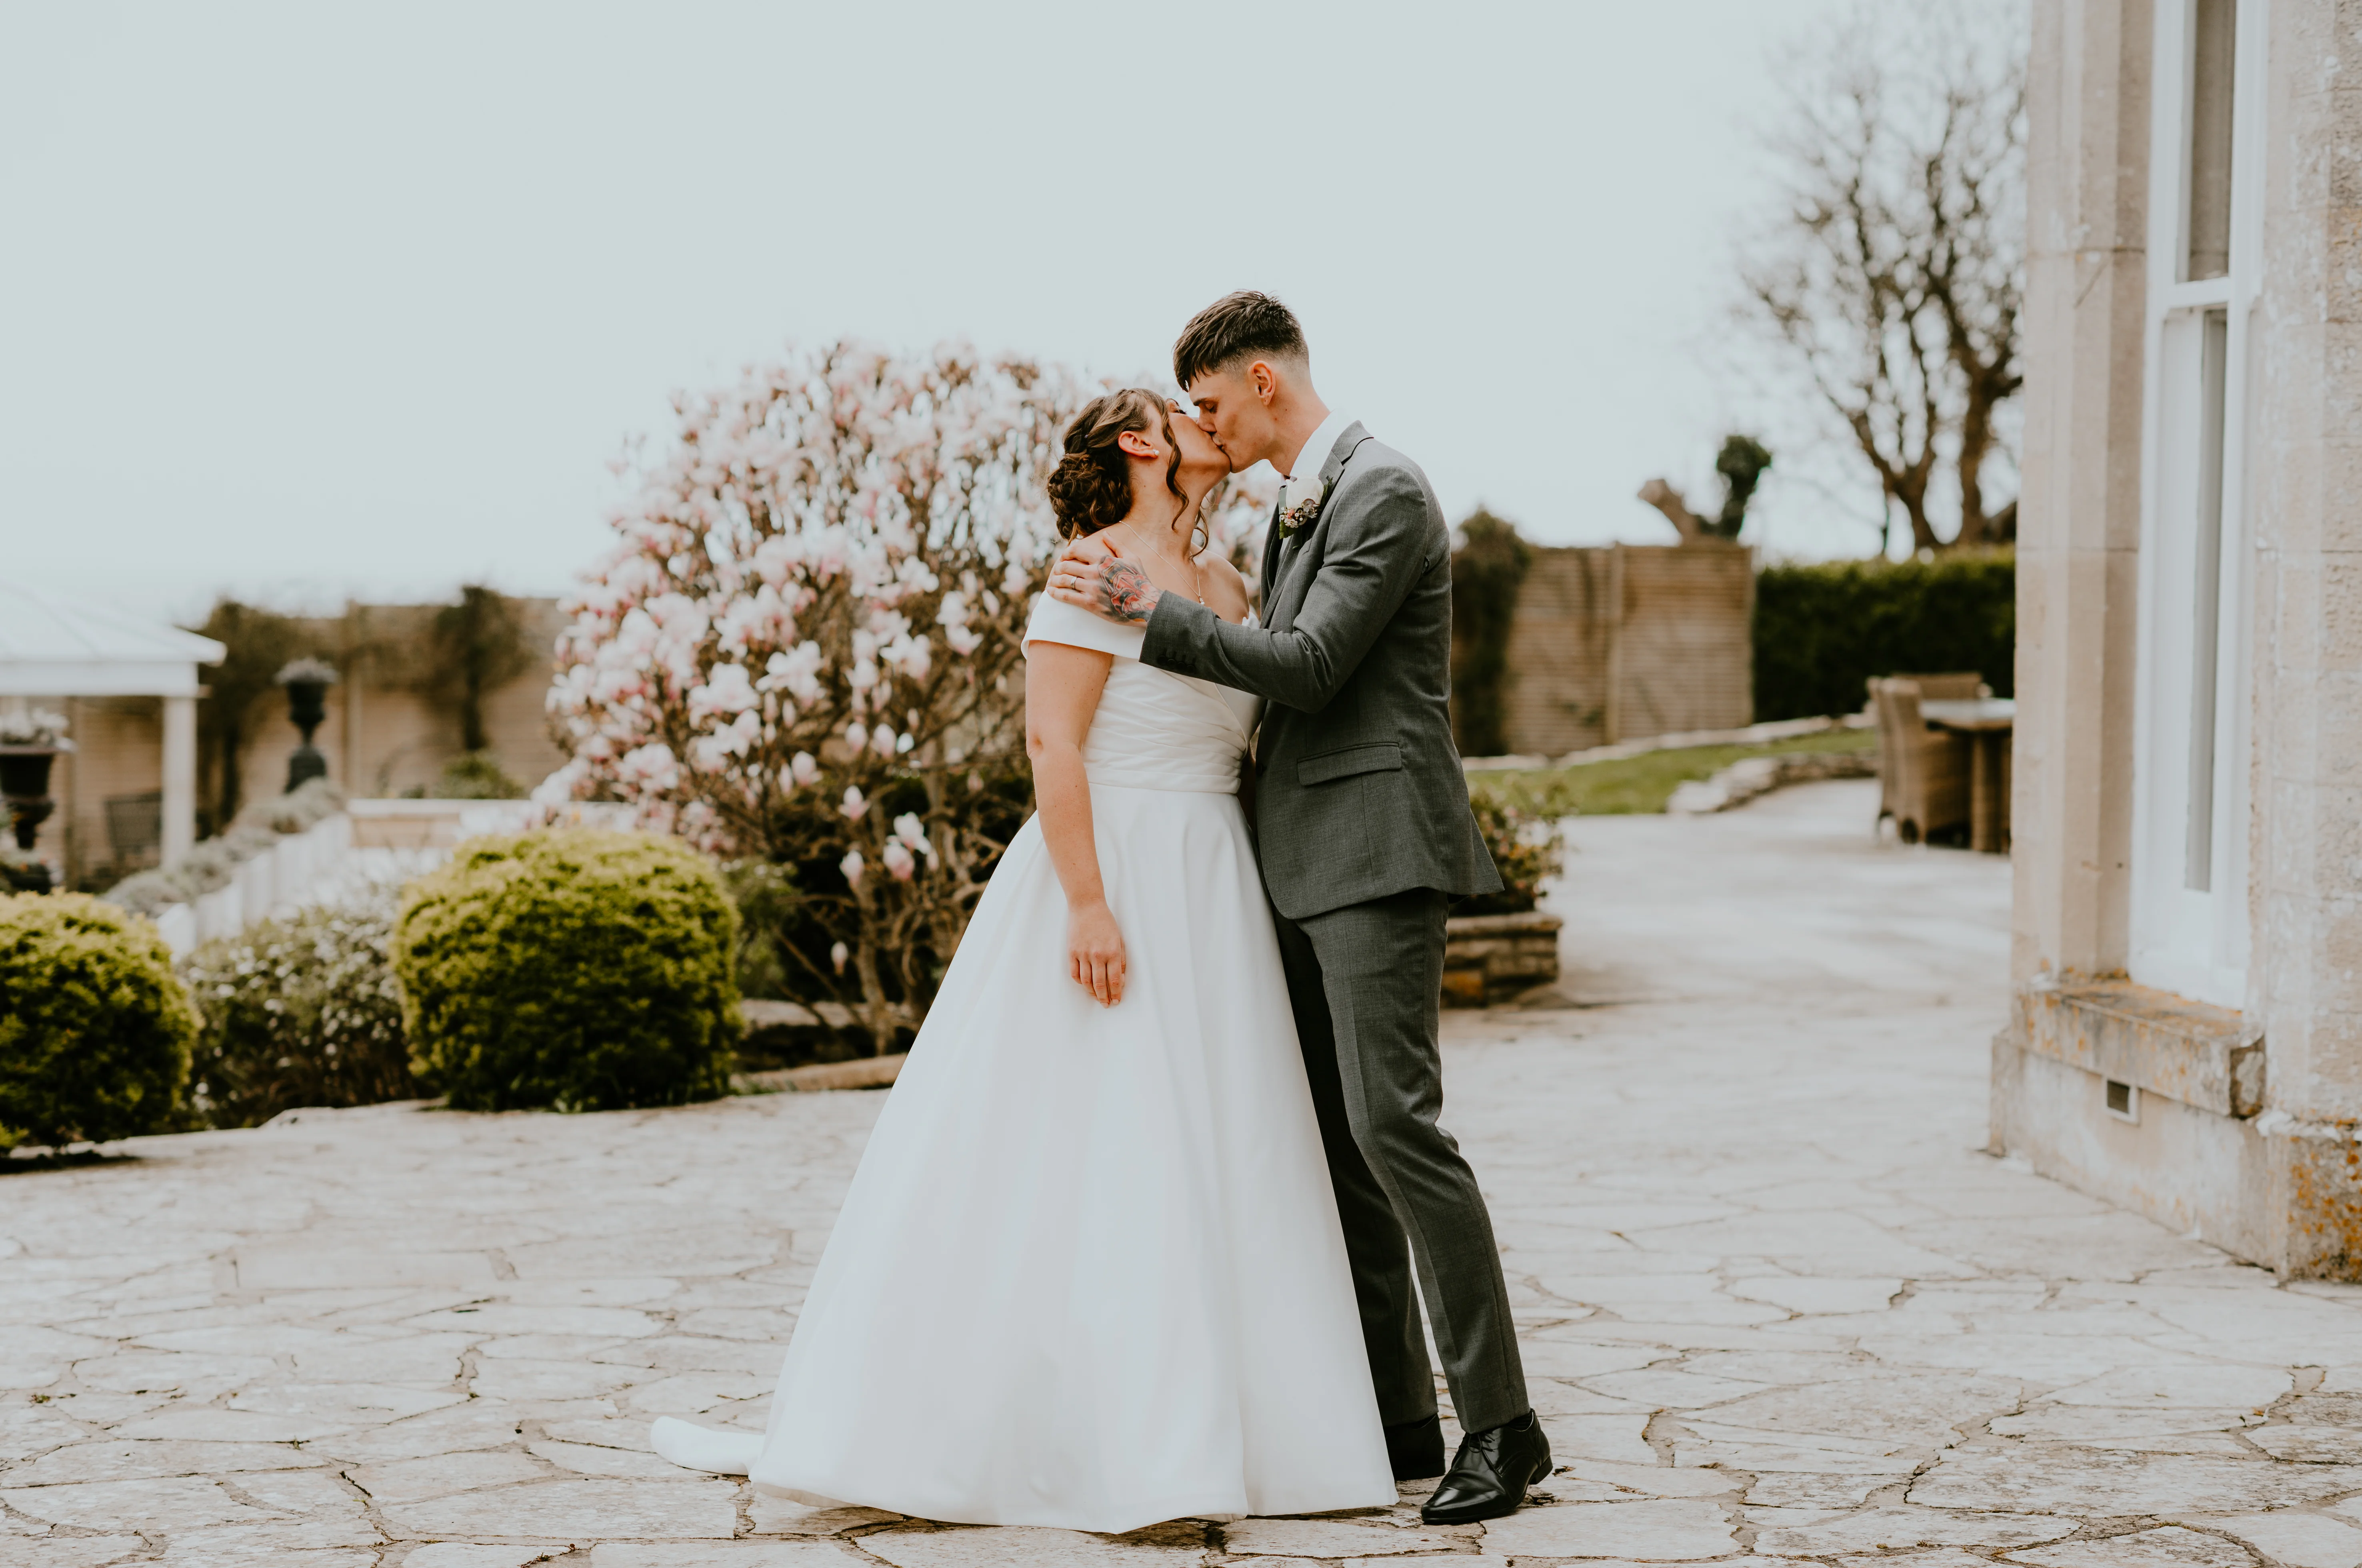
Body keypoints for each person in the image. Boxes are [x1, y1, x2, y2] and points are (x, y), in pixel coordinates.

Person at [649, 387, 1396, 1532]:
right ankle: (1124, 1448)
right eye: (1183, 409)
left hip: (1216, 885)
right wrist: (1090, 906)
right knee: (1114, 1144)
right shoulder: (1085, 572)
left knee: (1223, 1149)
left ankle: (1243, 1436)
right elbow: (1052, 742)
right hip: (1112, 872)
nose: (1211, 420)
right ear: (1142, 444)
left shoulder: (1235, 586)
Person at [1048, 292, 1546, 1525]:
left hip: (1375, 853)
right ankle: (1399, 1418)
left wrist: (1142, 612)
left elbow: (1315, 668)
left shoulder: (1381, 488)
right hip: (1289, 861)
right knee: (1339, 1149)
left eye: (1211, 402)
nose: (1203, 423)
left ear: (1263, 382)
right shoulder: (1284, 511)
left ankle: (1505, 1425)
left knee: (1399, 1133)